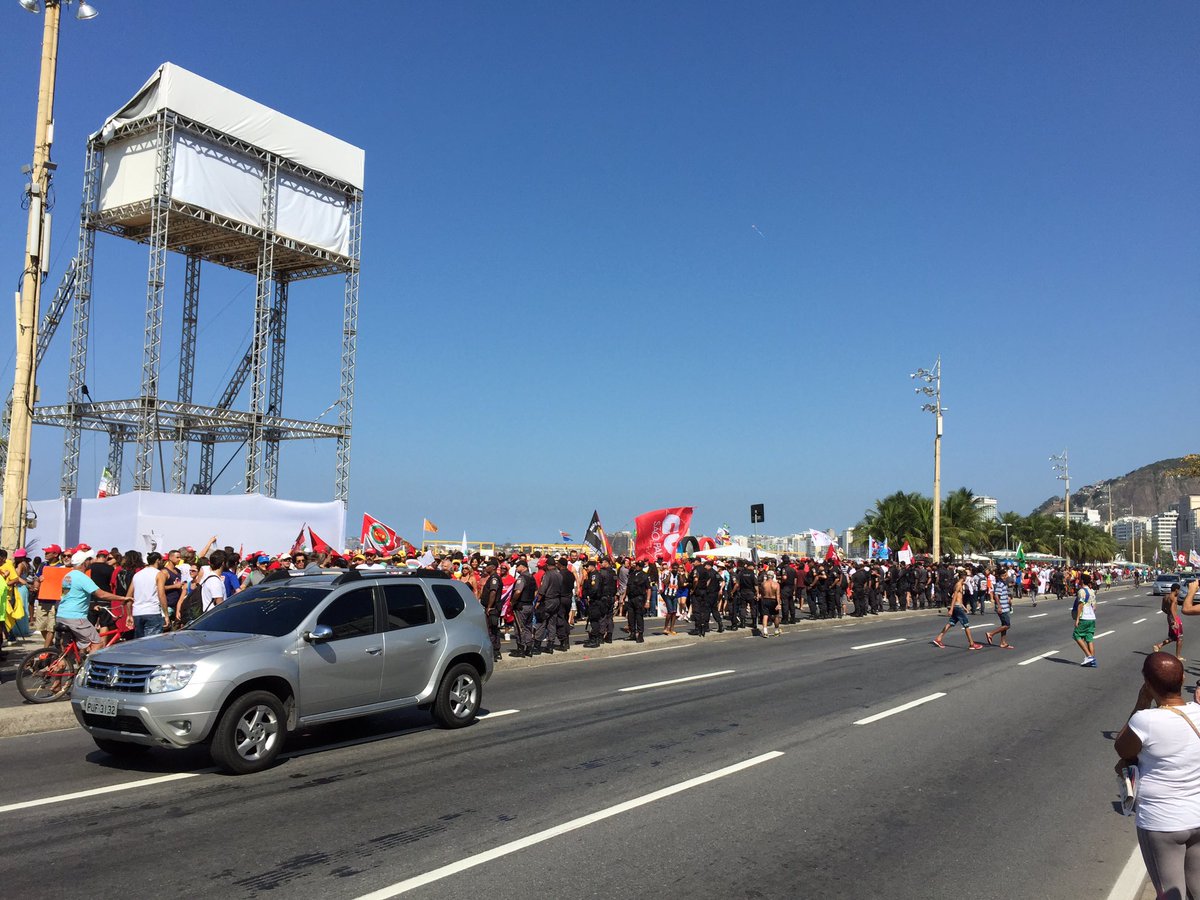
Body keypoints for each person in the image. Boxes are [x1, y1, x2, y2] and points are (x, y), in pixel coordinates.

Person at [1114, 652, 1200, 900]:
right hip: (1197, 817)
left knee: (1169, 891)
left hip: (1162, 823)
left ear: (1147, 683)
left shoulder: (1145, 720)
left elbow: (1122, 748)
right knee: (1197, 887)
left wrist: (1142, 701)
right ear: (1183, 678)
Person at [57, 549, 125, 656]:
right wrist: (123, 598)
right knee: (98, 643)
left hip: (62, 615)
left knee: (67, 649)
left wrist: (92, 605)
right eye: (88, 559)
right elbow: (101, 594)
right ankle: (87, 669)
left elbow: (71, 596)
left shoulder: (68, 576)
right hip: (75, 617)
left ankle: (58, 666)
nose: (91, 561)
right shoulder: (82, 577)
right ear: (84, 563)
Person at [932, 569, 983, 650]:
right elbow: (954, 597)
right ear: (963, 576)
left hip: (958, 606)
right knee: (966, 625)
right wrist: (951, 609)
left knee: (951, 623)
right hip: (957, 607)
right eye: (966, 576)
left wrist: (964, 607)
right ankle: (971, 643)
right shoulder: (959, 585)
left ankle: (938, 638)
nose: (967, 578)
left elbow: (958, 598)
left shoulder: (959, 584)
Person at [127, 552, 170, 638]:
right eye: (162, 560)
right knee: (152, 643)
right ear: (158, 560)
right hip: (152, 612)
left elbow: (128, 596)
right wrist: (166, 614)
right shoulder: (159, 574)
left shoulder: (137, 575)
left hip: (137, 613)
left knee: (140, 644)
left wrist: (129, 614)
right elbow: (161, 594)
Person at [985, 567, 1015, 649]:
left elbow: (1003, 594)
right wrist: (999, 606)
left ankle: (1003, 642)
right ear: (1001, 576)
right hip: (1002, 607)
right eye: (1004, 575)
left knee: (1004, 625)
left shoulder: (1004, 583)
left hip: (1005, 606)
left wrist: (1008, 599)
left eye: (1006, 575)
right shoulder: (999, 584)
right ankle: (991, 633)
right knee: (1007, 625)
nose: (1006, 577)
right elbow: (996, 596)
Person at [1073, 573, 1098, 667]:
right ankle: (1092, 660)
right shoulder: (1092, 591)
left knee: (1076, 635)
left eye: (1079, 579)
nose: (1078, 580)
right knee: (1089, 638)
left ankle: (1089, 656)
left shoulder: (1081, 591)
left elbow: (1080, 605)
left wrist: (1077, 619)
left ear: (1082, 581)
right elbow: (1094, 606)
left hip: (1084, 617)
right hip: (1092, 617)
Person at [1153, 583, 1184, 659]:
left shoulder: (1165, 597)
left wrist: (1169, 615)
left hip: (1169, 617)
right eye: (1179, 590)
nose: (1179, 592)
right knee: (1180, 638)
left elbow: (1163, 609)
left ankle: (1158, 646)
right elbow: (1172, 609)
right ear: (1176, 590)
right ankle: (1178, 656)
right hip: (1174, 618)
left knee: (1173, 637)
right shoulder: (1173, 598)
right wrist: (1175, 620)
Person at [625, 561, 650, 643]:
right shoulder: (632, 574)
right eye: (637, 565)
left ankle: (640, 634)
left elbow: (648, 588)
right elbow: (627, 586)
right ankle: (632, 633)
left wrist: (648, 601)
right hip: (631, 597)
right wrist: (623, 597)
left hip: (639, 598)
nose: (637, 566)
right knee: (630, 617)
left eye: (639, 565)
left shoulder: (645, 575)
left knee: (639, 616)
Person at [759, 570, 781, 636]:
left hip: (765, 599)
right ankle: (776, 630)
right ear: (773, 576)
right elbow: (778, 595)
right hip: (773, 600)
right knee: (776, 616)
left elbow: (762, 593)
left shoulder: (763, 584)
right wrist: (778, 603)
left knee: (765, 615)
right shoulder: (776, 584)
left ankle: (765, 631)